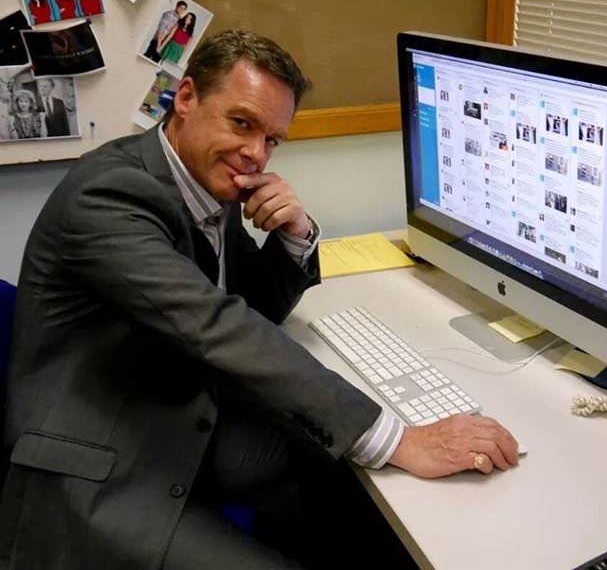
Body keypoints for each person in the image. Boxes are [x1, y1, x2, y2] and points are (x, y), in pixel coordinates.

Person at [0, 30, 519, 569]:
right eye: (242, 123)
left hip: (174, 413)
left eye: (272, 140)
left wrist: (296, 234)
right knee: (362, 464)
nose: (255, 154)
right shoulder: (109, 195)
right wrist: (395, 439)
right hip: (100, 471)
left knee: (349, 480)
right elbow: (219, 327)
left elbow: (252, 305)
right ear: (186, 98)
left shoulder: (202, 176)